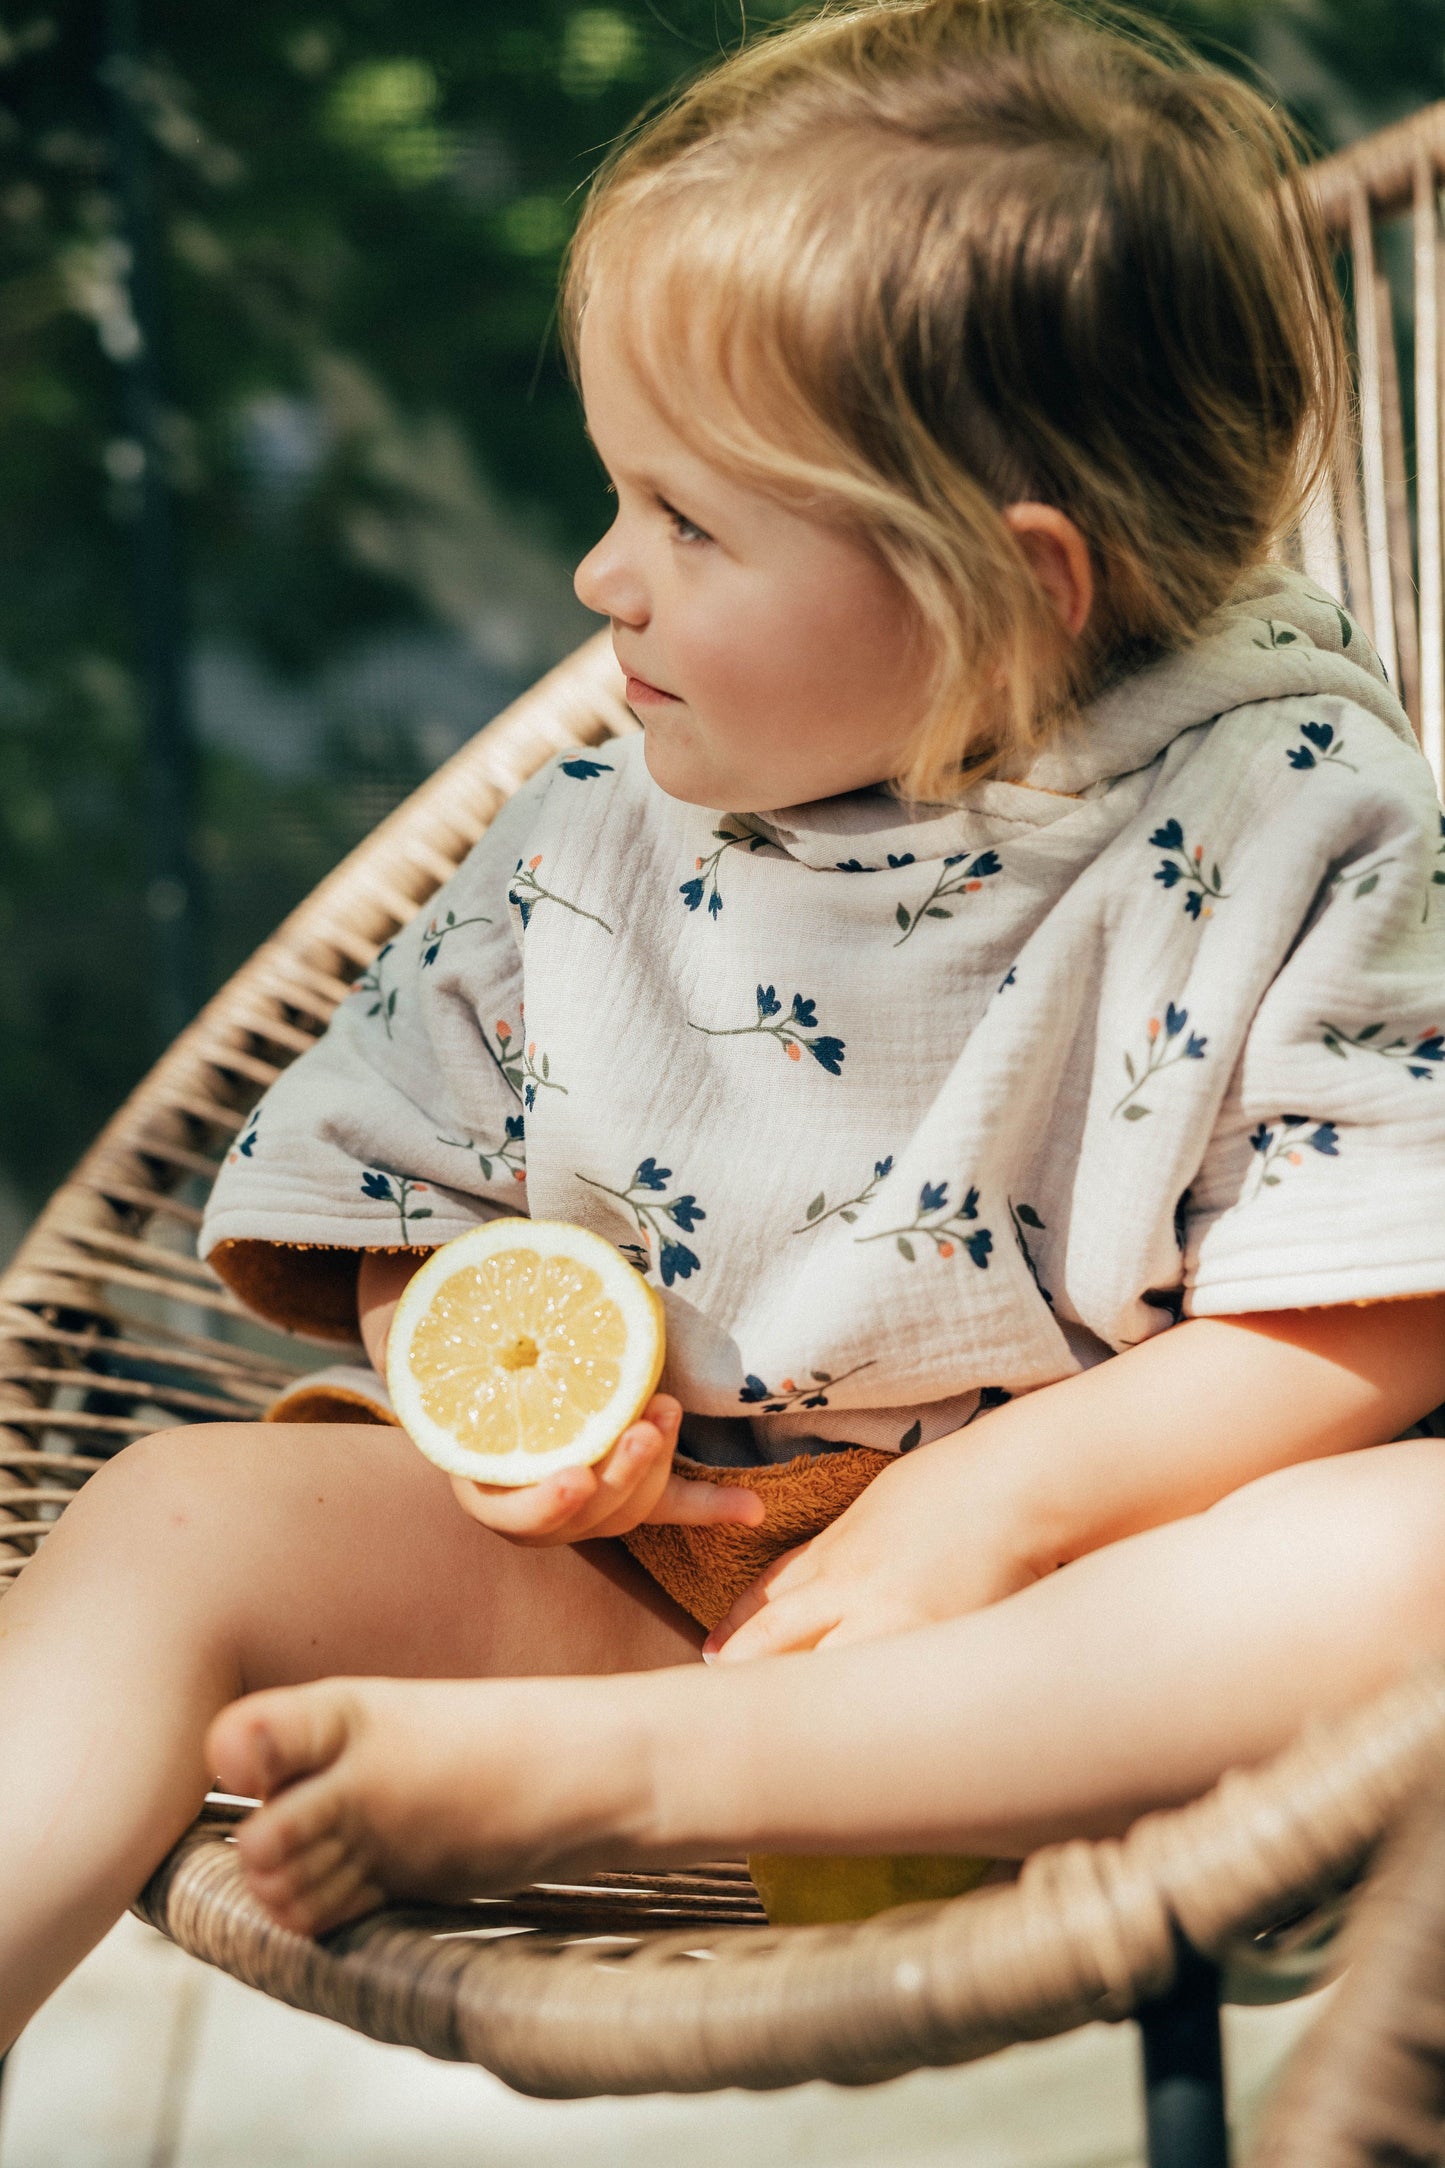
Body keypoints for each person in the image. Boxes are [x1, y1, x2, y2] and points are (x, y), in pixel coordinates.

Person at [6, 0, 1445, 2036]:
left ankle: (619, 1778)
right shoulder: (600, 835)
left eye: (688, 520)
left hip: (1078, 1635)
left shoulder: (1291, 814)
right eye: (616, 497)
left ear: (1011, 589)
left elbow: (1380, 1304)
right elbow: (413, 1211)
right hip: (664, 1575)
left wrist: (997, 1504)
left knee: (1425, 1555)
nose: (605, 577)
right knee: (169, 1515)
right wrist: (499, 1411)